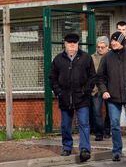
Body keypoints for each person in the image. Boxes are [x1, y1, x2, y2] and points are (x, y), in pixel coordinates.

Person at [49, 33, 95, 163]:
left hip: (82, 98)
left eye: (74, 43)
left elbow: (92, 76)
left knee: (84, 124)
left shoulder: (86, 58)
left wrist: (87, 91)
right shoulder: (58, 59)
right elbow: (52, 78)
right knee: (65, 125)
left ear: (78, 44)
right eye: (69, 43)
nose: (72, 45)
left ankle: (85, 149)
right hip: (65, 98)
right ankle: (67, 146)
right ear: (65, 44)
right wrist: (58, 92)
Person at [97, 31, 126, 162]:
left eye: (116, 40)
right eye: (112, 40)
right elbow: (100, 77)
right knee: (114, 124)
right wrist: (104, 90)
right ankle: (116, 151)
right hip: (112, 98)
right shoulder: (106, 57)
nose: (113, 43)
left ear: (122, 41)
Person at [90, 36, 110, 141]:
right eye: (98, 47)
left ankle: (107, 130)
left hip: (109, 88)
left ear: (107, 47)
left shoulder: (112, 56)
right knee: (97, 112)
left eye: (103, 47)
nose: (100, 49)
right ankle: (99, 133)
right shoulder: (92, 58)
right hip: (96, 89)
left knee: (110, 112)